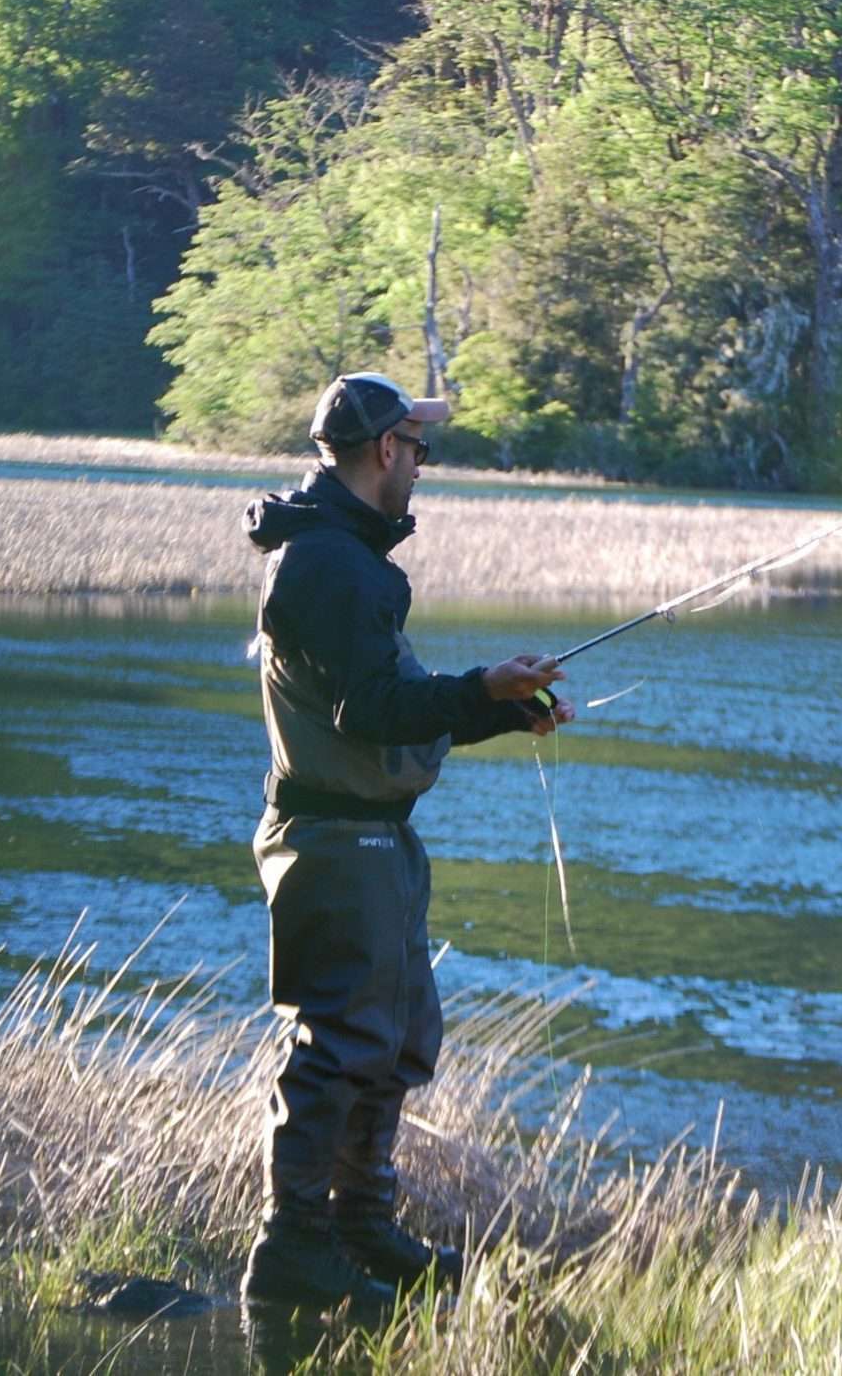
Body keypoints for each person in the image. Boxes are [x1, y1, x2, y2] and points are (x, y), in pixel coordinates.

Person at [237, 371, 573, 1311]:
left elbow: (385, 709)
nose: (423, 465)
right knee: (339, 1043)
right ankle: (292, 1250)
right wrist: (484, 689)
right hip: (338, 845)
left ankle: (360, 1228)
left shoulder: (341, 557)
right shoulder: (332, 568)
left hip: (366, 839)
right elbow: (375, 708)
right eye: (419, 449)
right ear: (386, 450)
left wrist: (505, 711)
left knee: (390, 1041)